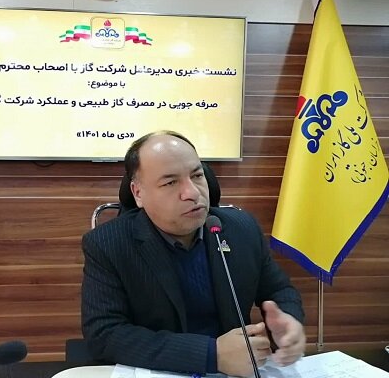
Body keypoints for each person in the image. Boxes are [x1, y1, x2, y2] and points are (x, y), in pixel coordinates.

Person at [81, 130, 306, 377]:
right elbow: (105, 333)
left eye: (197, 175)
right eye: (170, 182)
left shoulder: (241, 228)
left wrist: (287, 323)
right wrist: (211, 354)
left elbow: (278, 290)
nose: (193, 192)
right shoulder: (108, 244)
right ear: (138, 193)